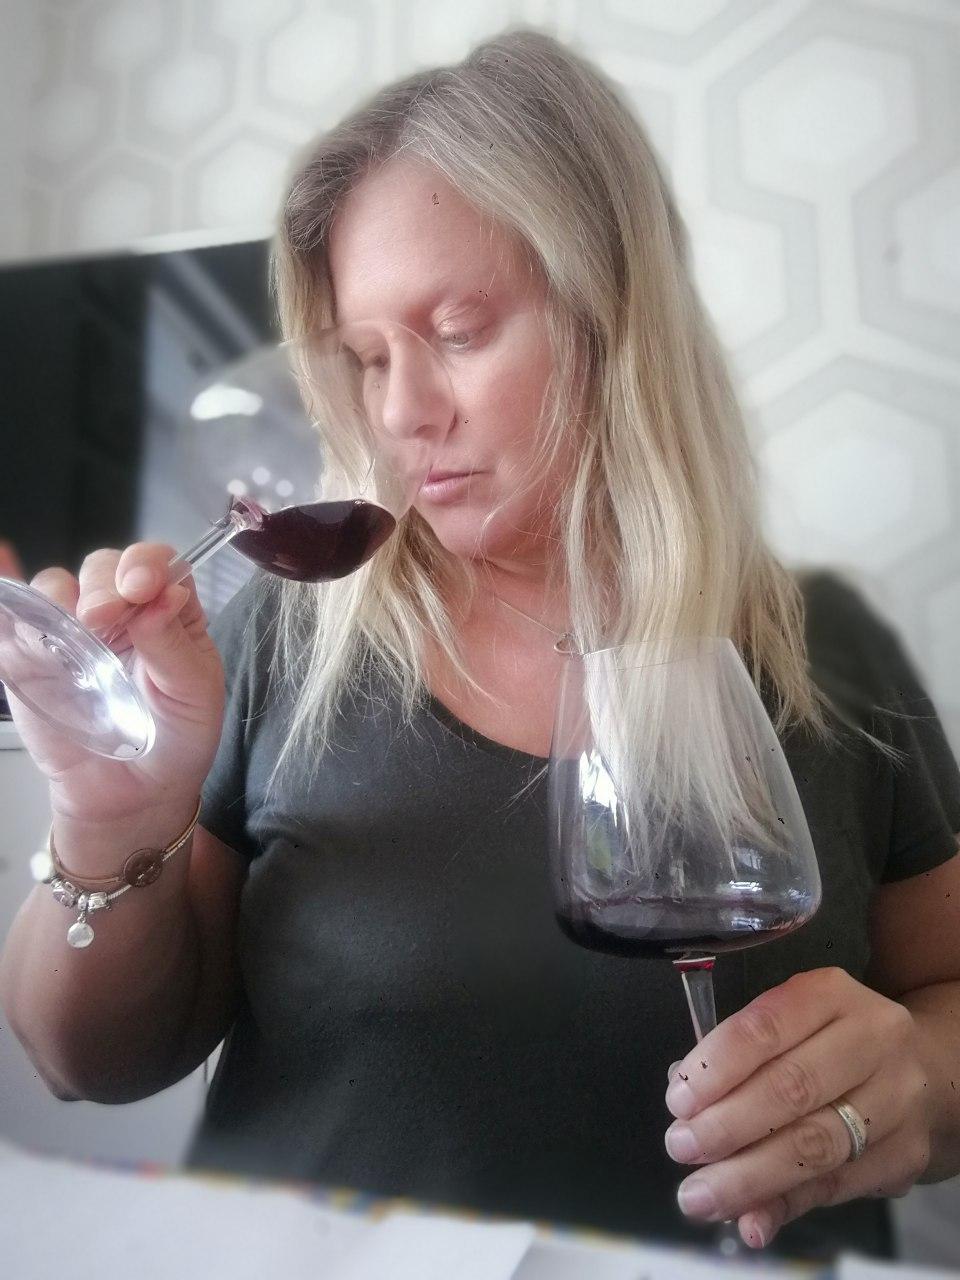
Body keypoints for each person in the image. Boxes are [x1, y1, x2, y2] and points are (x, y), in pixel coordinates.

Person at [2, 29, 960, 1265]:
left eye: (457, 331)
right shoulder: (284, 636)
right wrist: (110, 823)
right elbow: (84, 1063)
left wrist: (926, 1076)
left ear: (615, 313)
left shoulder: (825, 649)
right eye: (365, 359)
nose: (400, 412)